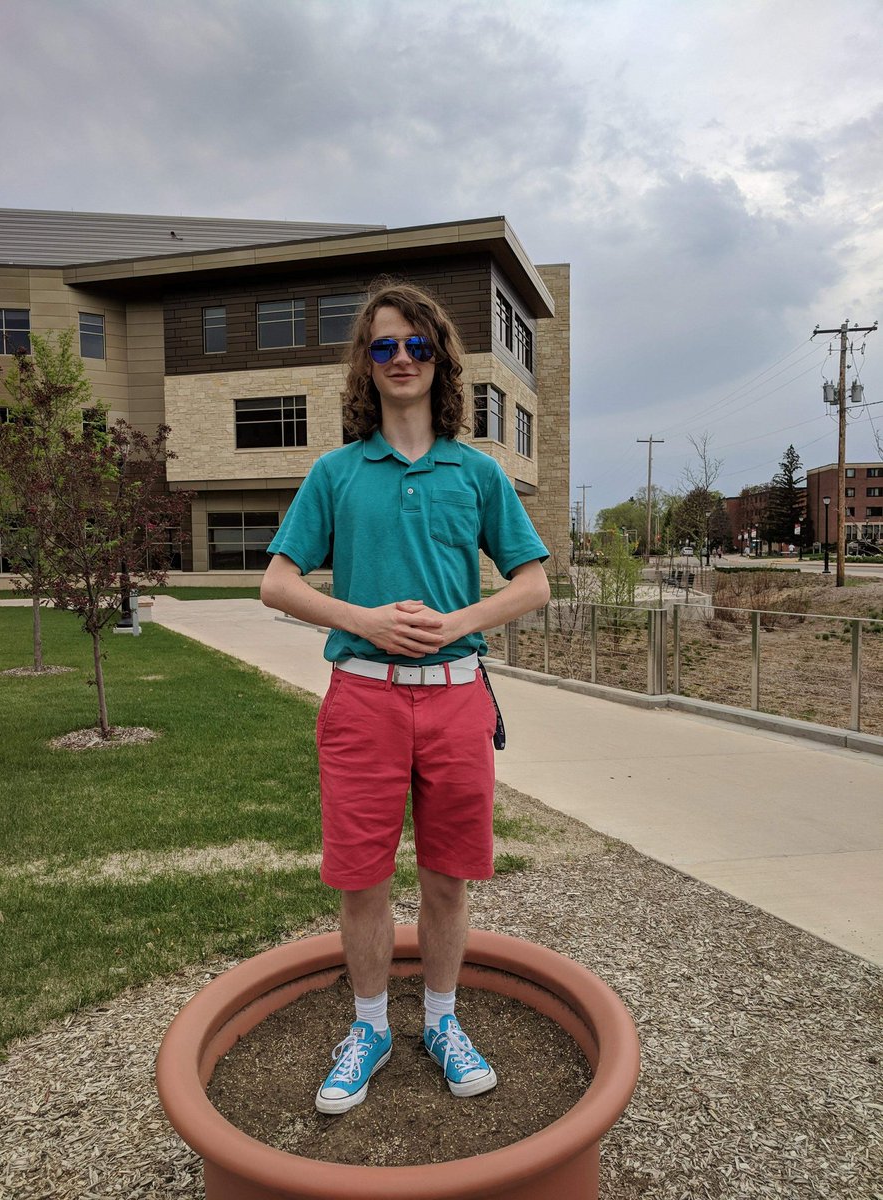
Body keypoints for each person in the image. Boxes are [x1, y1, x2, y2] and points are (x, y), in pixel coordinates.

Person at [260, 280, 550, 1115]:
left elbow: (532, 583)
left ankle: (442, 1020)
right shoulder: (337, 472)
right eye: (384, 345)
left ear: (440, 360)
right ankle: (370, 1028)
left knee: (449, 878)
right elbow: (277, 581)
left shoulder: (477, 472)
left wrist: (457, 621)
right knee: (362, 880)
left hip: (457, 699)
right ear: (366, 362)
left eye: (416, 345)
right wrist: (364, 619)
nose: (400, 358)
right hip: (363, 699)